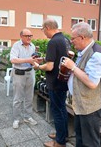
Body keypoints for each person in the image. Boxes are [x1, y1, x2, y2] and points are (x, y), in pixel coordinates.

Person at [62, 22, 101, 147]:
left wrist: (72, 67)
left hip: (91, 108)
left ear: (82, 37)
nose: (71, 41)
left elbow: (92, 83)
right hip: (81, 104)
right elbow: (82, 71)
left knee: (90, 143)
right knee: (81, 138)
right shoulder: (85, 51)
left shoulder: (96, 55)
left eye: (73, 38)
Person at [33, 19, 69, 147]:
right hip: (63, 81)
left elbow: (49, 67)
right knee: (62, 109)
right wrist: (44, 58)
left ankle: (59, 142)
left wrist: (38, 66)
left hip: (55, 82)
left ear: (47, 27)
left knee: (57, 111)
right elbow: (60, 58)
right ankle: (63, 134)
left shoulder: (53, 42)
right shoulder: (64, 39)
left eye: (43, 29)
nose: (43, 33)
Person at [10, 29, 40, 129]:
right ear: (21, 36)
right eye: (27, 36)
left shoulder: (32, 46)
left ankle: (28, 116)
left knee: (29, 96)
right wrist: (28, 60)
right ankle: (16, 119)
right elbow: (13, 60)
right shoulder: (16, 45)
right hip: (19, 73)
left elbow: (33, 60)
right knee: (18, 98)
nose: (29, 38)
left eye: (30, 35)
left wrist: (36, 63)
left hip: (30, 72)